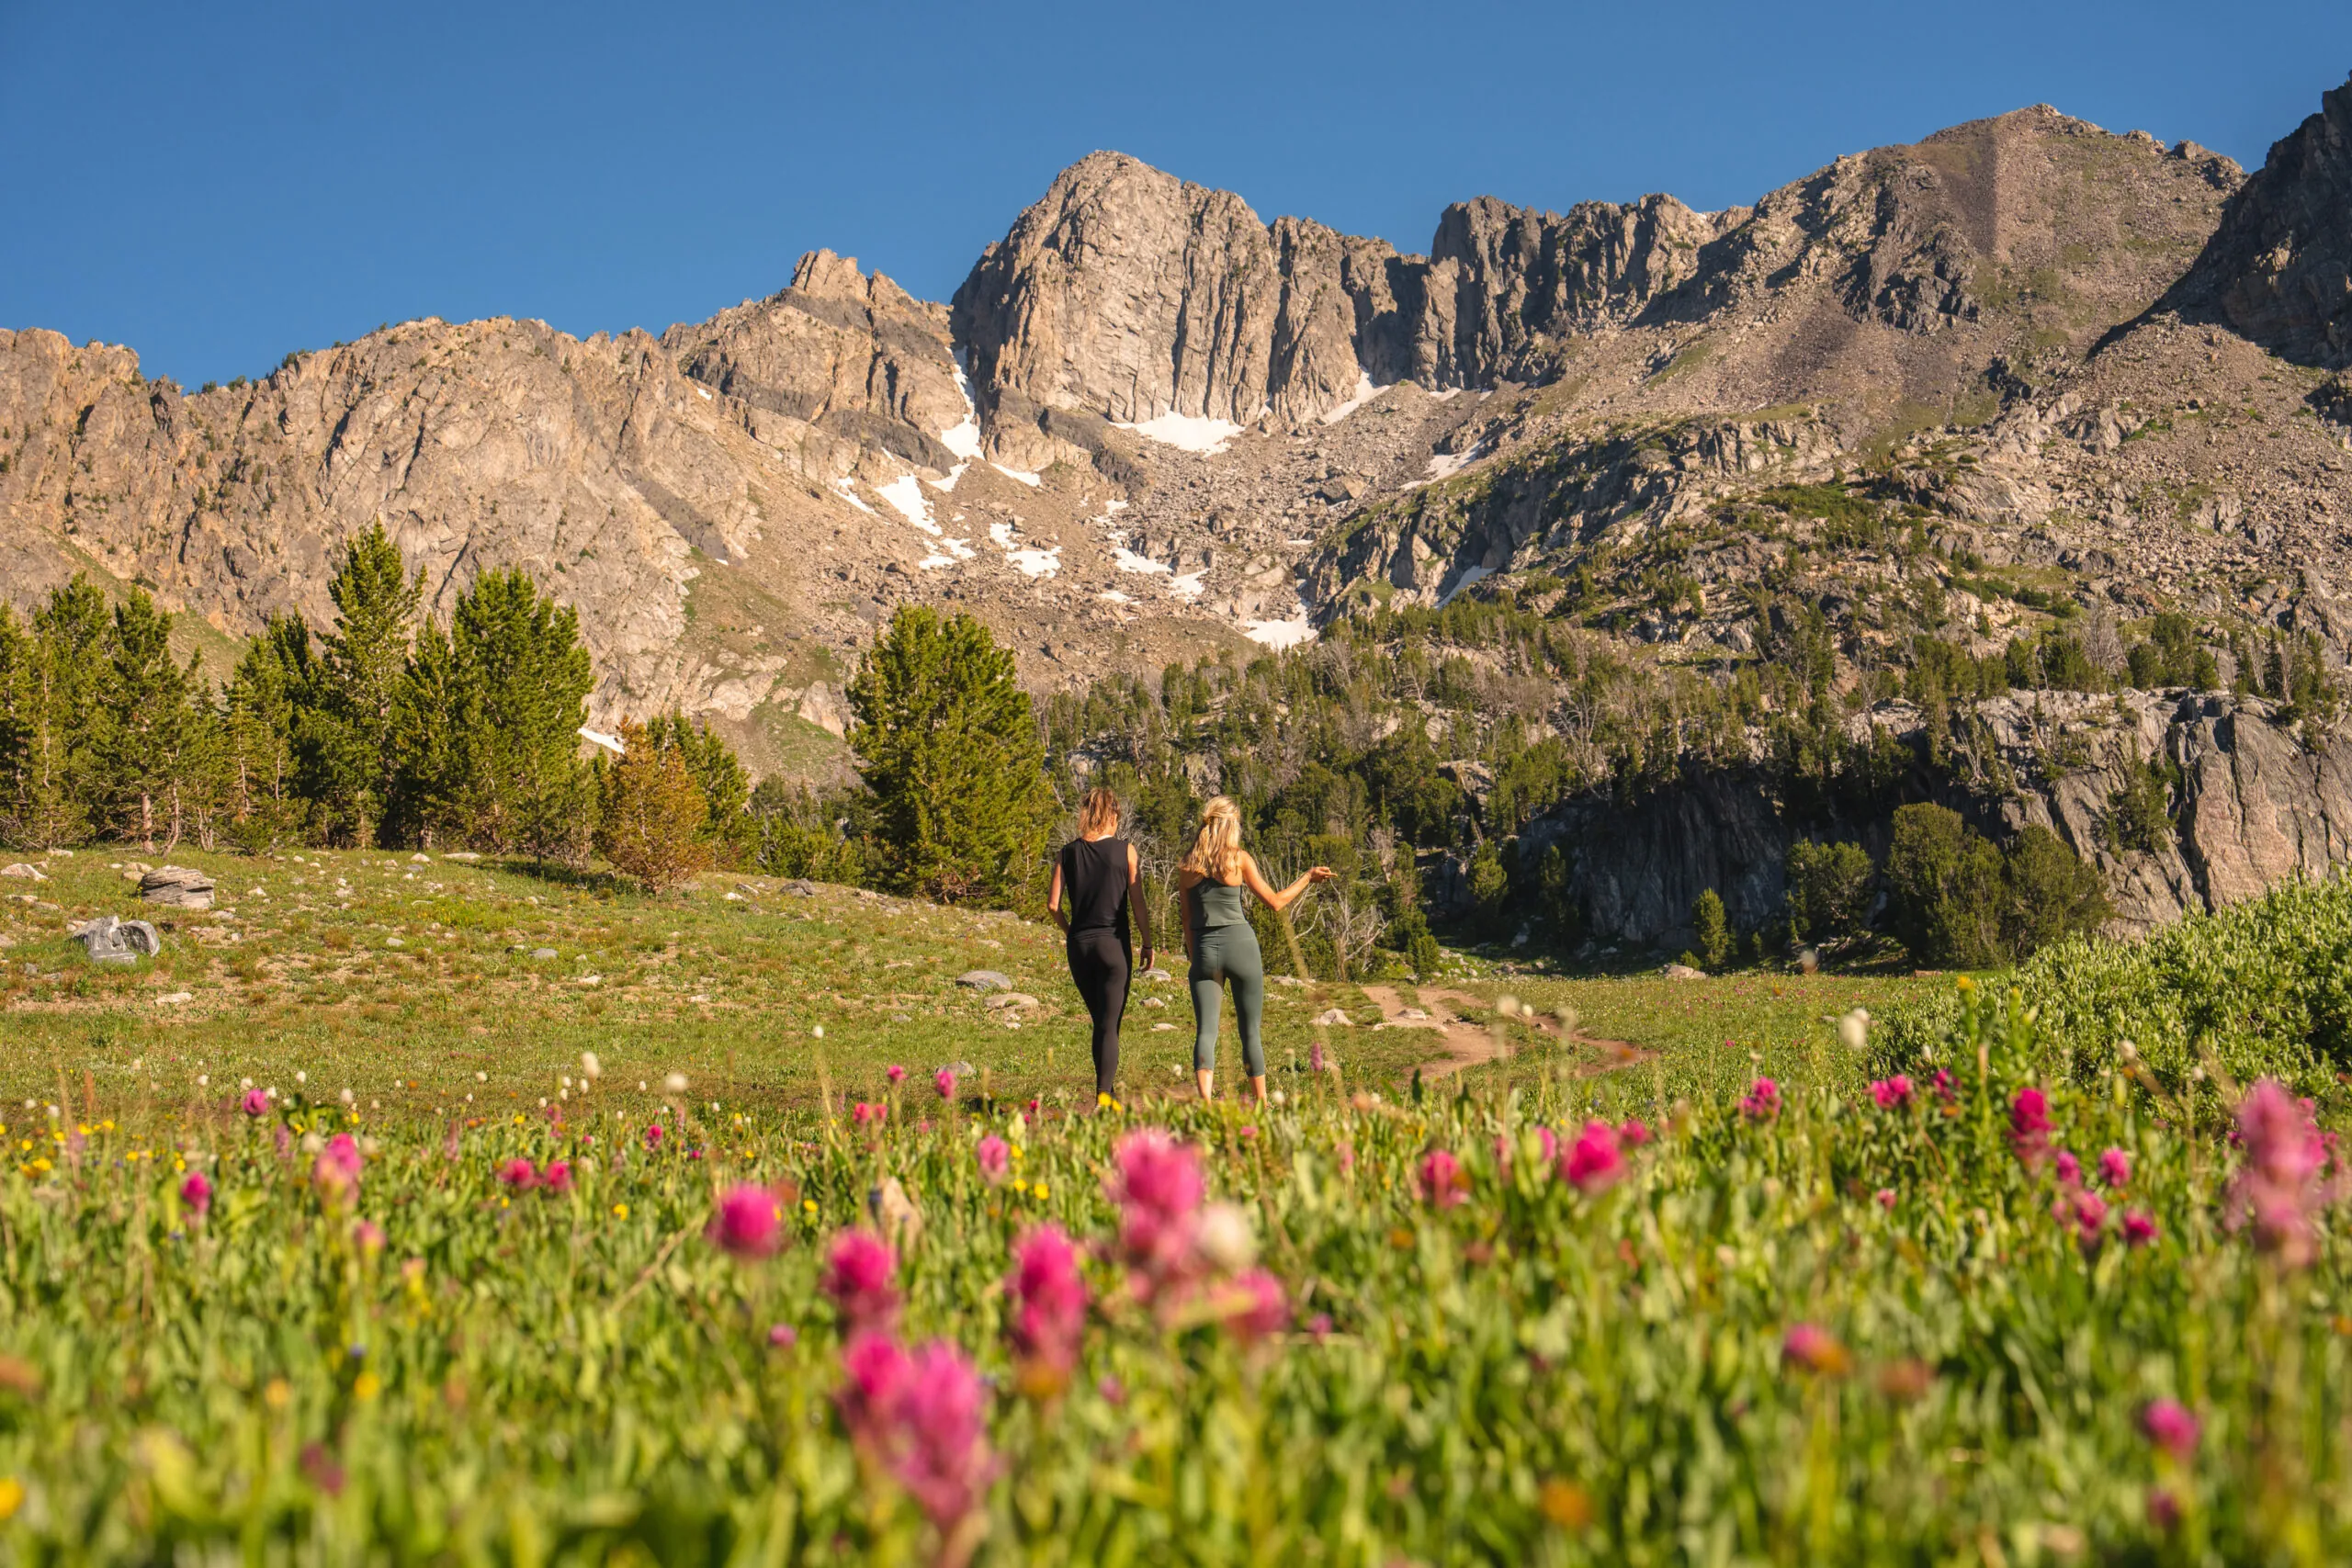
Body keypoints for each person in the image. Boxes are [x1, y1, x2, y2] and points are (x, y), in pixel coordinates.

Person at [1177, 796, 1331, 1105]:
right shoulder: (1239, 859)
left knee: (1206, 1031)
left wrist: (1196, 957)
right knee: (1250, 1032)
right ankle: (1261, 1104)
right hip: (1242, 946)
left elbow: (1187, 917)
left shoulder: (1187, 865)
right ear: (1230, 825)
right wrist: (1307, 878)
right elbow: (1275, 902)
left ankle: (1206, 1105)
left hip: (1205, 948)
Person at [1046, 787, 1152, 1104]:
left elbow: (1053, 904)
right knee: (1108, 1024)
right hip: (1113, 946)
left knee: (1101, 1022)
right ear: (1112, 815)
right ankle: (1104, 1096)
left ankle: (1107, 1089)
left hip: (1079, 947)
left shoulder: (1066, 853)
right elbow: (1138, 903)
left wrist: (1071, 931)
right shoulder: (1126, 851)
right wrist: (1147, 942)